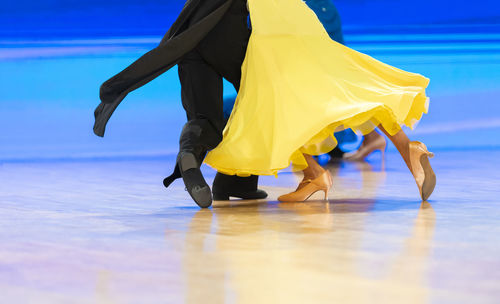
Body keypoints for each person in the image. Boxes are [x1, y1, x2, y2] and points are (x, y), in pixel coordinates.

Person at [204, 0, 436, 202]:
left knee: (274, 102)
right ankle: (406, 148)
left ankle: (314, 174)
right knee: (319, 91)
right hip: (290, 15)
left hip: (271, 23)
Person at [93, 0, 267, 208]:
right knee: (263, 100)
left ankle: (190, 153)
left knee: (204, 117)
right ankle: (237, 179)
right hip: (228, 26)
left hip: (191, 30)